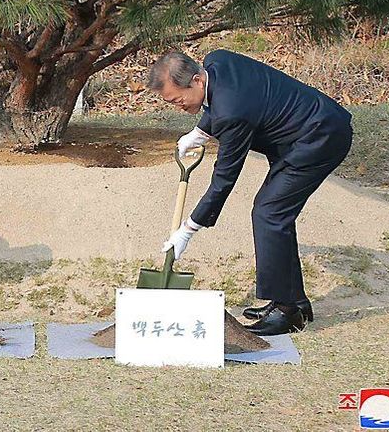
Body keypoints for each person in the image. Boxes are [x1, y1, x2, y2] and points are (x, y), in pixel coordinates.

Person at [148, 50, 353, 335]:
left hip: (319, 137)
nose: (177, 106)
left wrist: (189, 227)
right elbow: (218, 99)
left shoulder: (232, 113)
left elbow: (224, 179)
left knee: (269, 213)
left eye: (177, 99)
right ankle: (294, 301)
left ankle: (288, 311)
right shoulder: (217, 62)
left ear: (196, 80)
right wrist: (199, 132)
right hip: (302, 132)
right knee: (274, 214)